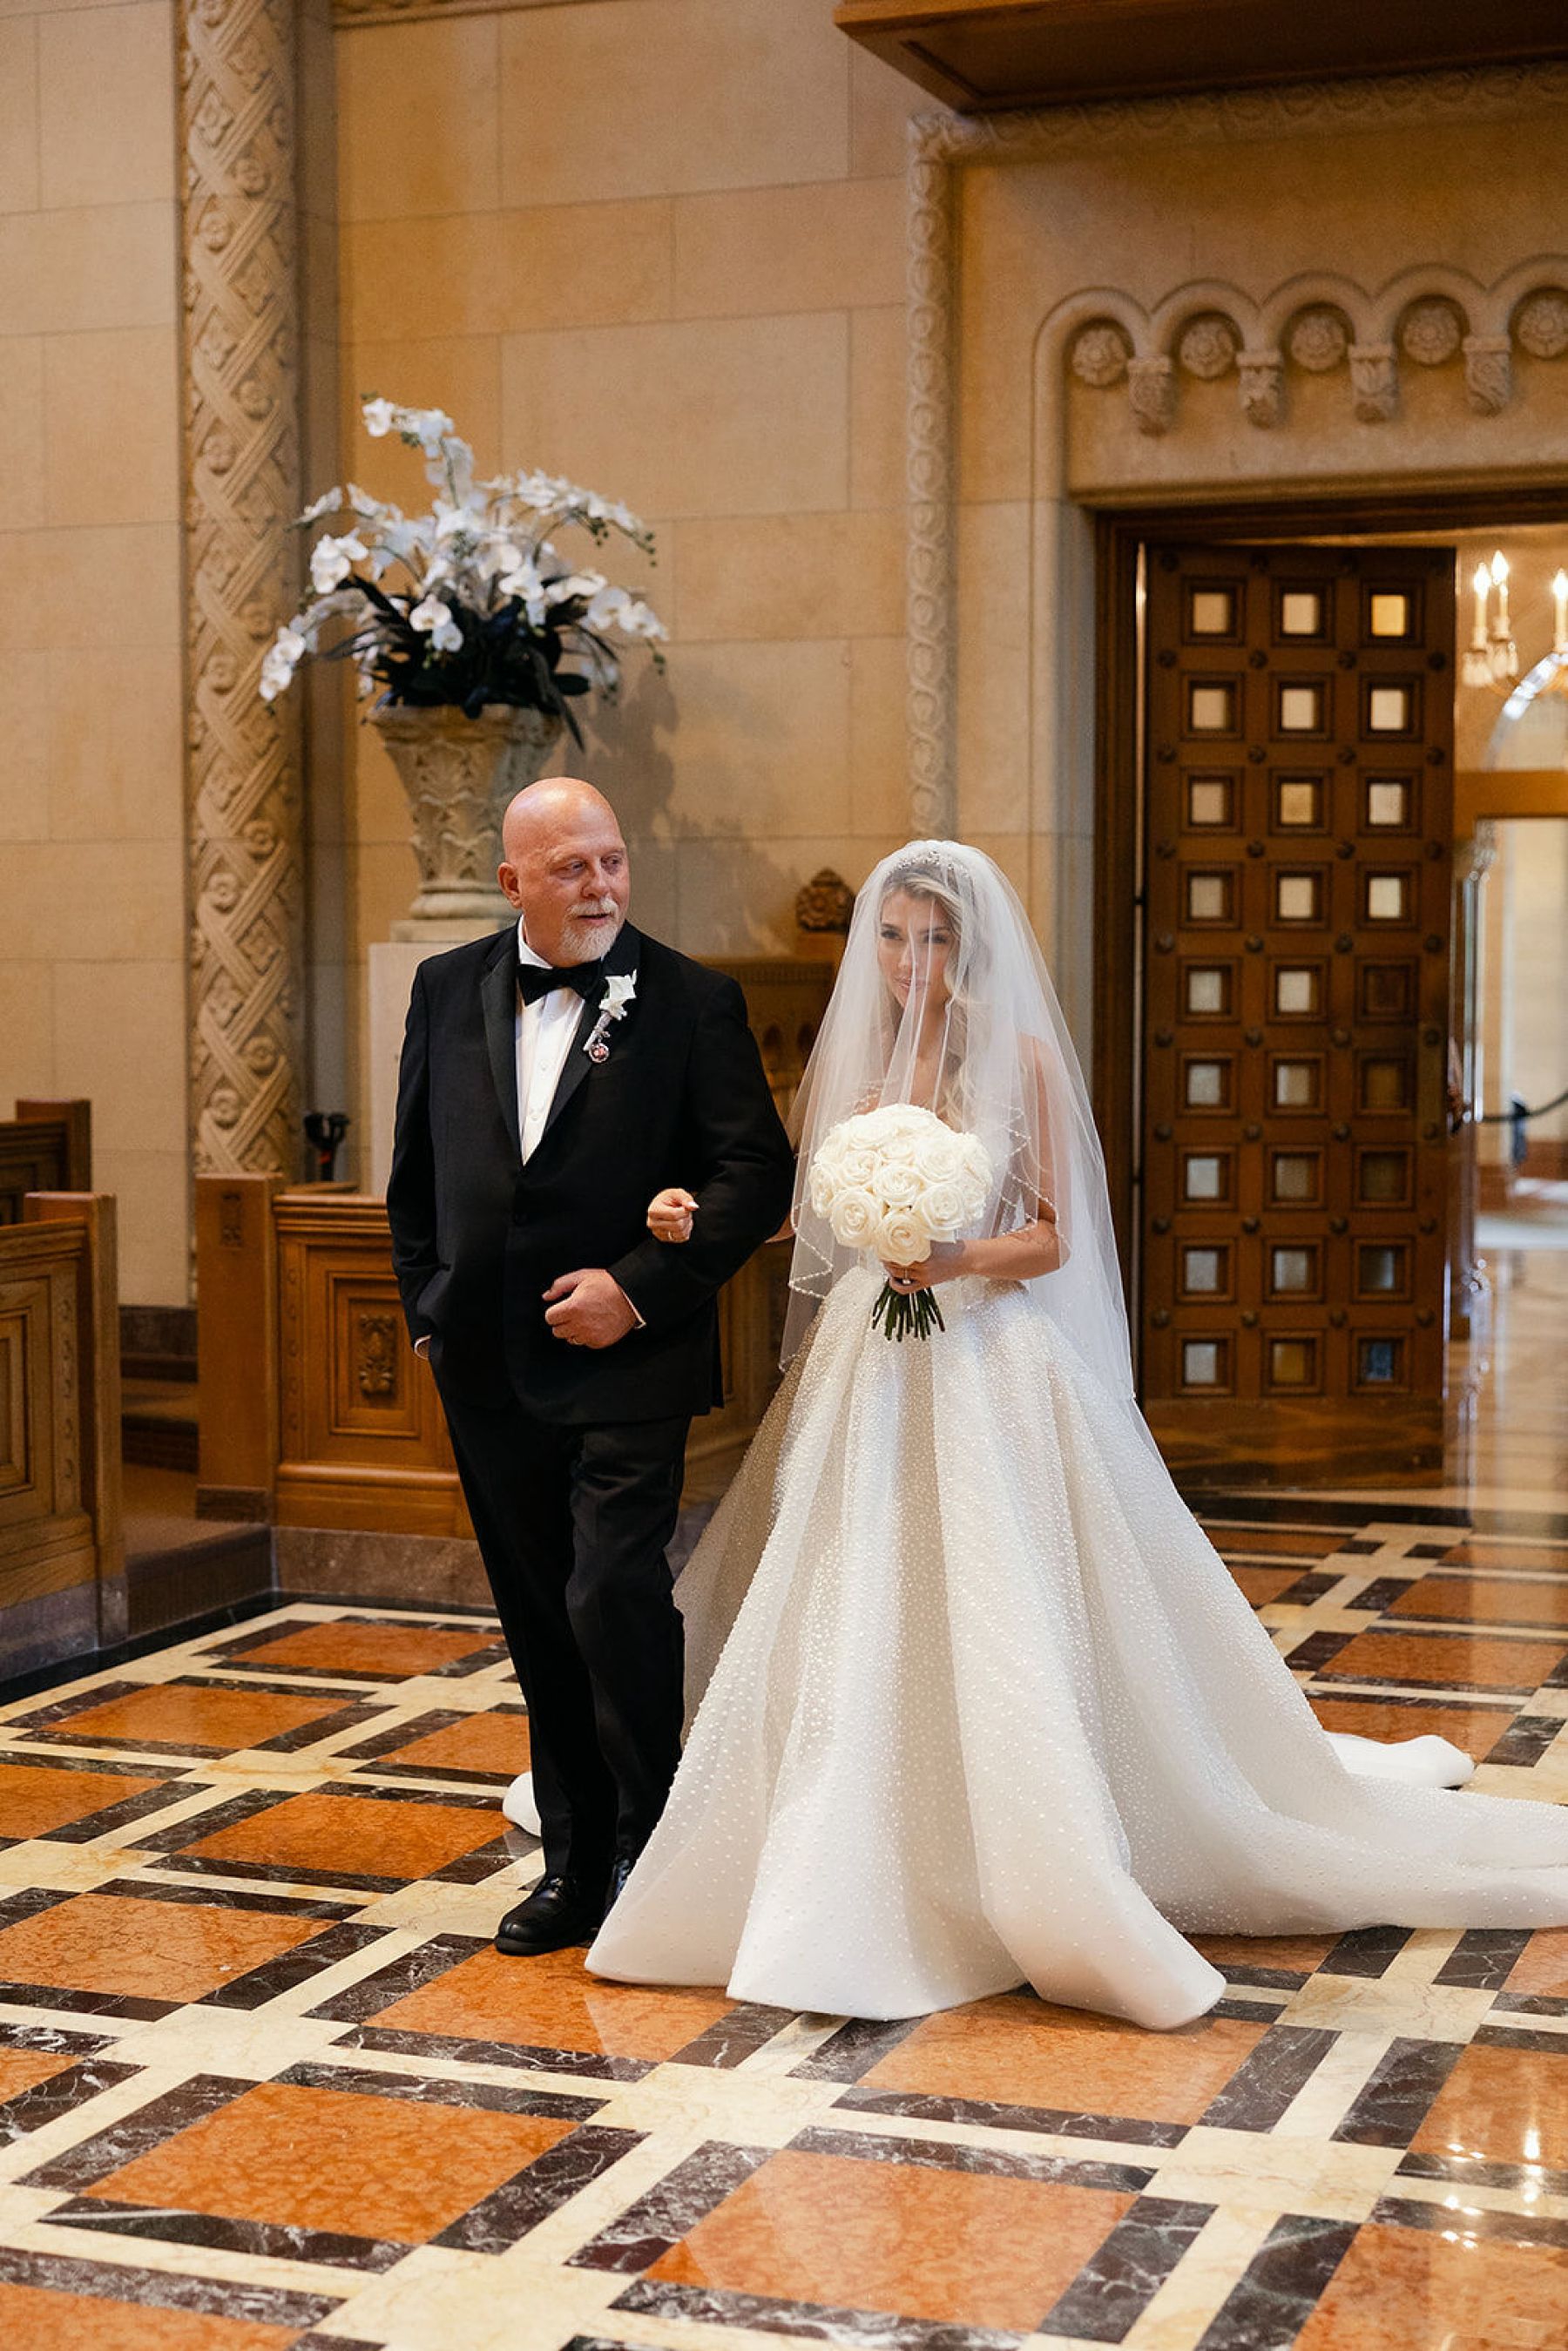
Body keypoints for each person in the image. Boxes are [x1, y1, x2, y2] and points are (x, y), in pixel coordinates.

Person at [586, 840, 1568, 2030]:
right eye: (893, 937)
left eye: (933, 939)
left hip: (986, 1353)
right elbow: (810, 1213)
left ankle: (1028, 1822)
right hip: (873, 1353)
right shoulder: (855, 1065)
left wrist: (948, 1256)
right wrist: (712, 1213)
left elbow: (1050, 1236)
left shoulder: (1025, 1060)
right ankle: (846, 1804)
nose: (909, 962)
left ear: (971, 947)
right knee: (851, 1578)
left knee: (1001, 1588)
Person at [387, 780, 794, 1959]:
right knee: (536, 1611)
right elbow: (418, 1169)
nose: (602, 887)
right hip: (483, 1362)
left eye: (612, 862)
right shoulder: (445, 984)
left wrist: (641, 1289)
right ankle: (575, 1864)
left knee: (609, 1594)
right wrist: (428, 1309)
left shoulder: (692, 1001)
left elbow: (753, 1174)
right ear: (513, 879)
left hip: (632, 1359)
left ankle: (654, 1847)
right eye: (572, 868)